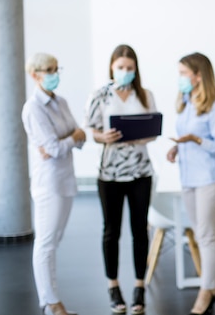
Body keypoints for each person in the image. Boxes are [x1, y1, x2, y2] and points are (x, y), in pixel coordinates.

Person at [85, 44, 158, 314]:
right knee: (111, 231)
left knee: (140, 230)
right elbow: (91, 129)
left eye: (129, 68)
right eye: (120, 67)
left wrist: (142, 135)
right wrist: (102, 137)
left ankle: (139, 286)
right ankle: (113, 286)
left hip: (140, 171)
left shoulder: (145, 95)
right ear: (111, 68)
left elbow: (154, 129)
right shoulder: (100, 95)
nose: (125, 72)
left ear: (135, 69)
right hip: (110, 174)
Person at [22, 53, 86, 315]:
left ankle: (52, 300)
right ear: (34, 75)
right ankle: (51, 303)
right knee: (46, 244)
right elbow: (55, 147)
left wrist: (66, 140)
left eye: (55, 68)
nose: (54, 73)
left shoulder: (60, 102)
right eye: (48, 70)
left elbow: (80, 137)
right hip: (48, 184)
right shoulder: (33, 108)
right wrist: (68, 139)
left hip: (65, 179)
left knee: (54, 242)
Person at [166, 53, 215, 315]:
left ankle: (207, 291)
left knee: (206, 236)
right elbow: (184, 137)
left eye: (184, 73)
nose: (180, 78)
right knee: (199, 233)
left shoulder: (214, 106)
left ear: (198, 75)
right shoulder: (185, 101)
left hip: (208, 180)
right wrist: (177, 149)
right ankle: (213, 285)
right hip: (188, 178)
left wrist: (196, 140)